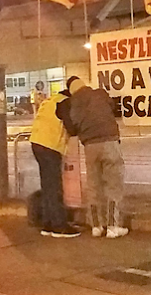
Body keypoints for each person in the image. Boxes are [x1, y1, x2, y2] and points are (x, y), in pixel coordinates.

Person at [61, 76, 128, 238]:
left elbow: (72, 128)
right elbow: (113, 107)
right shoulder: (99, 94)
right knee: (113, 185)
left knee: (93, 186)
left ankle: (96, 226)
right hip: (109, 142)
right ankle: (113, 226)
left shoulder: (72, 103)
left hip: (89, 146)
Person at [29, 88, 80, 238]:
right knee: (55, 186)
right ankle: (59, 226)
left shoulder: (50, 101)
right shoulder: (64, 103)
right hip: (50, 146)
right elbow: (71, 128)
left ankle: (48, 224)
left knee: (47, 186)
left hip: (37, 143)